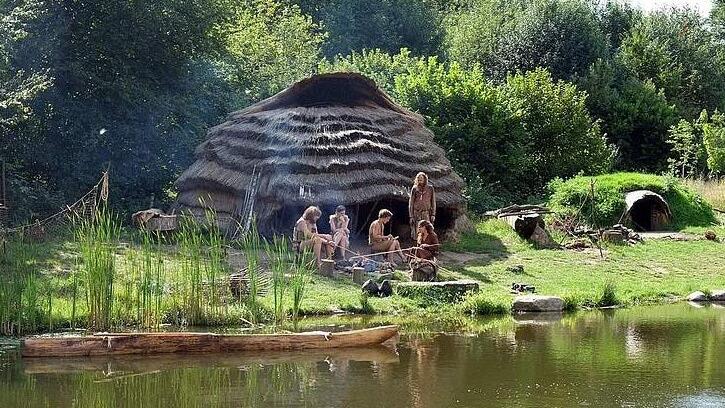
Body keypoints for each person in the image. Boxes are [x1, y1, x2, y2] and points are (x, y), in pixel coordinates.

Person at [409, 172, 436, 239]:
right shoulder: (415, 189)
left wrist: (433, 214)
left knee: (427, 230)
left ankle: (427, 246)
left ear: (425, 179)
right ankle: (418, 246)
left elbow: (433, 202)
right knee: (417, 231)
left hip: (426, 213)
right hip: (417, 213)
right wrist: (411, 216)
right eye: (418, 178)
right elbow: (411, 203)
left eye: (421, 178)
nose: (420, 180)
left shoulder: (430, 188)